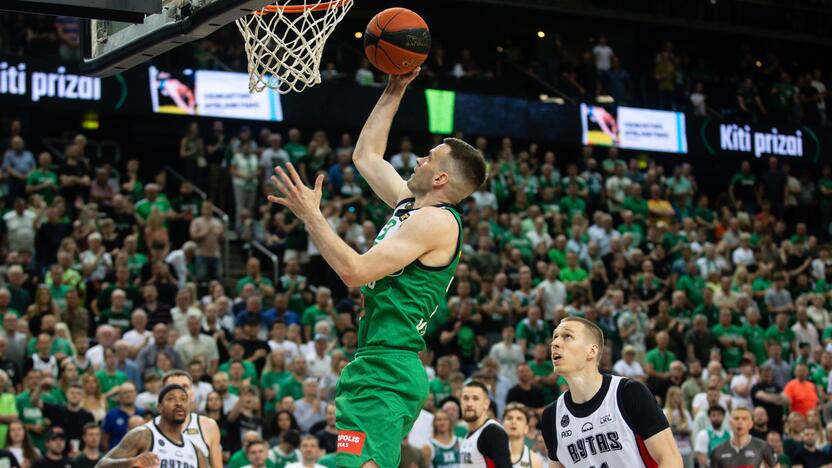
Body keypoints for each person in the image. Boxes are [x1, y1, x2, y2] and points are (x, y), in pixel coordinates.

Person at [265, 67, 486, 468]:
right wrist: (394, 88)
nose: (418, 159)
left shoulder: (436, 221)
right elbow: (366, 155)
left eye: (429, 157)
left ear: (439, 178)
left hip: (388, 366)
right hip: (378, 363)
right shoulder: (411, 206)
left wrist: (312, 216)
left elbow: (354, 272)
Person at [541, 316, 682, 467]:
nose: (554, 343)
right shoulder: (551, 416)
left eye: (567, 336)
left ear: (591, 351)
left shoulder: (628, 393)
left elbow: (670, 460)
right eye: (555, 337)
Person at [95, 384, 207, 468]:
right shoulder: (142, 435)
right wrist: (132, 462)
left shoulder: (196, 451)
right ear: (159, 408)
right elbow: (100, 466)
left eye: (183, 399)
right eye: (171, 399)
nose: (179, 403)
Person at [160, 370, 224, 468]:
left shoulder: (209, 426)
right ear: (162, 396)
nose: (180, 391)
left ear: (192, 395)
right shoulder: (147, 430)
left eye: (185, 386)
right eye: (173, 387)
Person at [458, 381, 511, 467]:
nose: (469, 404)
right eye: (465, 398)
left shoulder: (492, 432)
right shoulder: (469, 434)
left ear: (486, 404)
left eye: (475, 399)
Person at [709, 407, 777, 467]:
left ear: (751, 424)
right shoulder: (718, 451)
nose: (740, 422)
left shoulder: (762, 446)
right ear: (730, 423)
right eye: (736, 419)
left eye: (744, 419)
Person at [503, 403, 543, 468]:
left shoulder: (534, 460)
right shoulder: (490, 454)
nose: (513, 421)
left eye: (519, 419)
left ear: (526, 428)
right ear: (503, 424)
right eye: (509, 418)